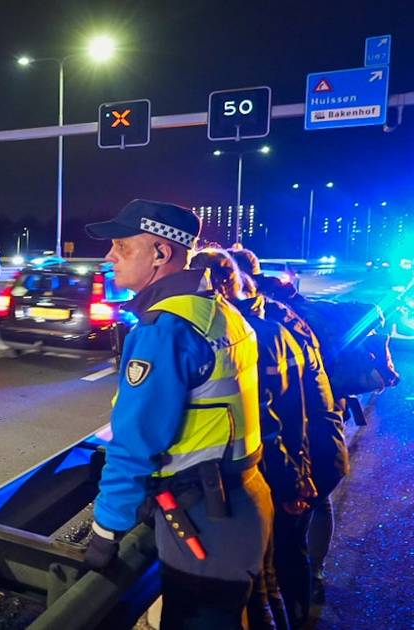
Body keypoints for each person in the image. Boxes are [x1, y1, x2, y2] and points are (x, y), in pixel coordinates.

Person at [82, 199, 271, 628]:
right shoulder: (217, 309)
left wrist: (108, 527)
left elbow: (135, 441)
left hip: (205, 519)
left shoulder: (165, 327)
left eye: (121, 247)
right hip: (241, 502)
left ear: (160, 254)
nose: (109, 257)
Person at [190, 249, 314, 630]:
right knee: (275, 573)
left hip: (260, 477)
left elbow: (267, 417)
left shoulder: (238, 335)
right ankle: (299, 614)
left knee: (262, 585)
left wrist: (292, 478)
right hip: (279, 471)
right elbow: (297, 408)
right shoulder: (268, 321)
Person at [231, 248, 348, 625]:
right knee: (297, 548)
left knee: (284, 561)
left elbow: (272, 420)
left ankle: (299, 611)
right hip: (324, 445)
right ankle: (311, 585)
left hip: (305, 459)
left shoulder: (259, 332)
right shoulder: (283, 312)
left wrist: (291, 485)